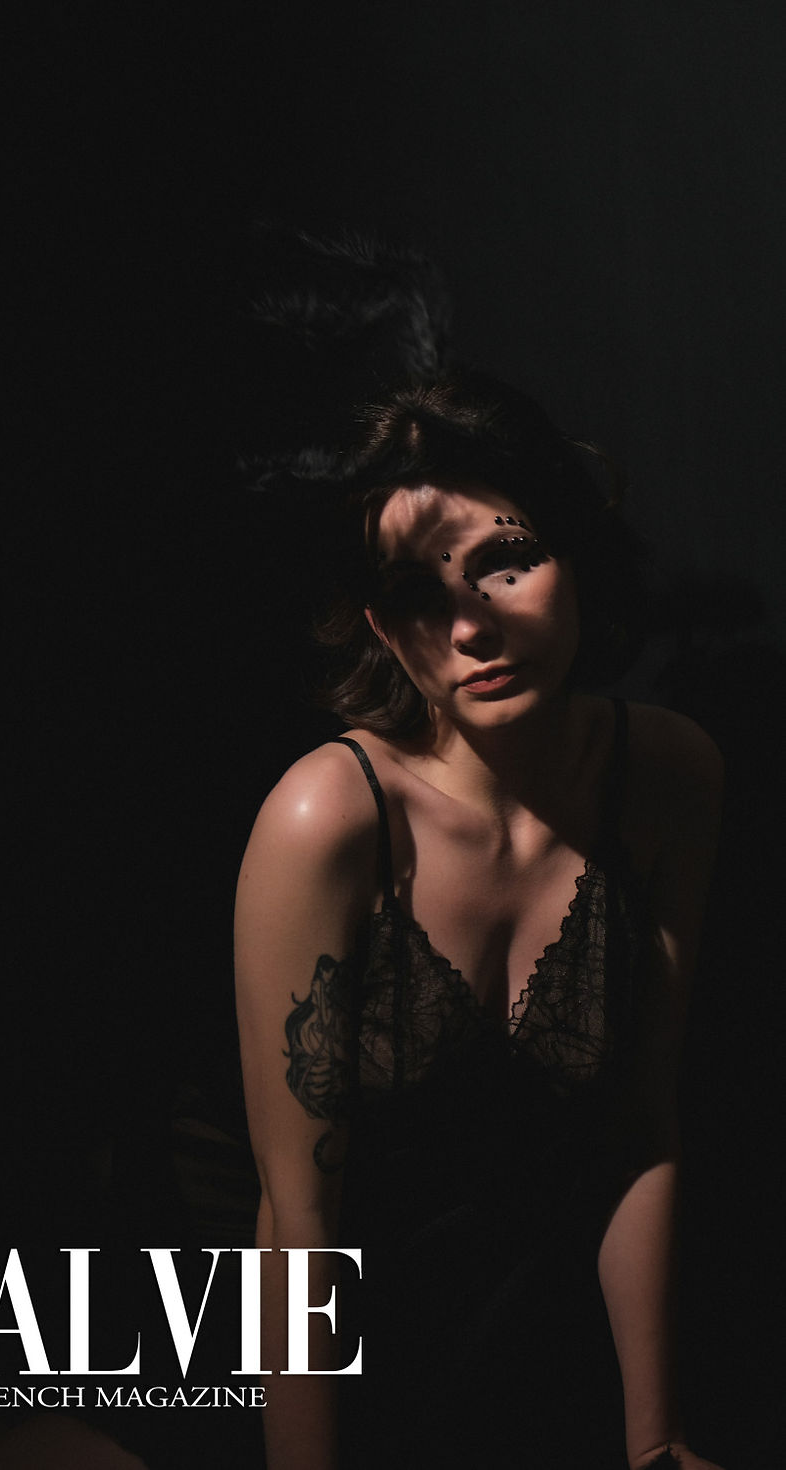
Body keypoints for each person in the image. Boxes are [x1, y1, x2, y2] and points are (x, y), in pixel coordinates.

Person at [234, 372, 727, 1469]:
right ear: (380, 626)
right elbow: (296, 1219)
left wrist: (655, 1442)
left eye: (506, 560)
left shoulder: (666, 777)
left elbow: (642, 1126)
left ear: (576, 555)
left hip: (543, 1334)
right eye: (417, 594)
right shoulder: (327, 820)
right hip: (325, 1368)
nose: (469, 626)